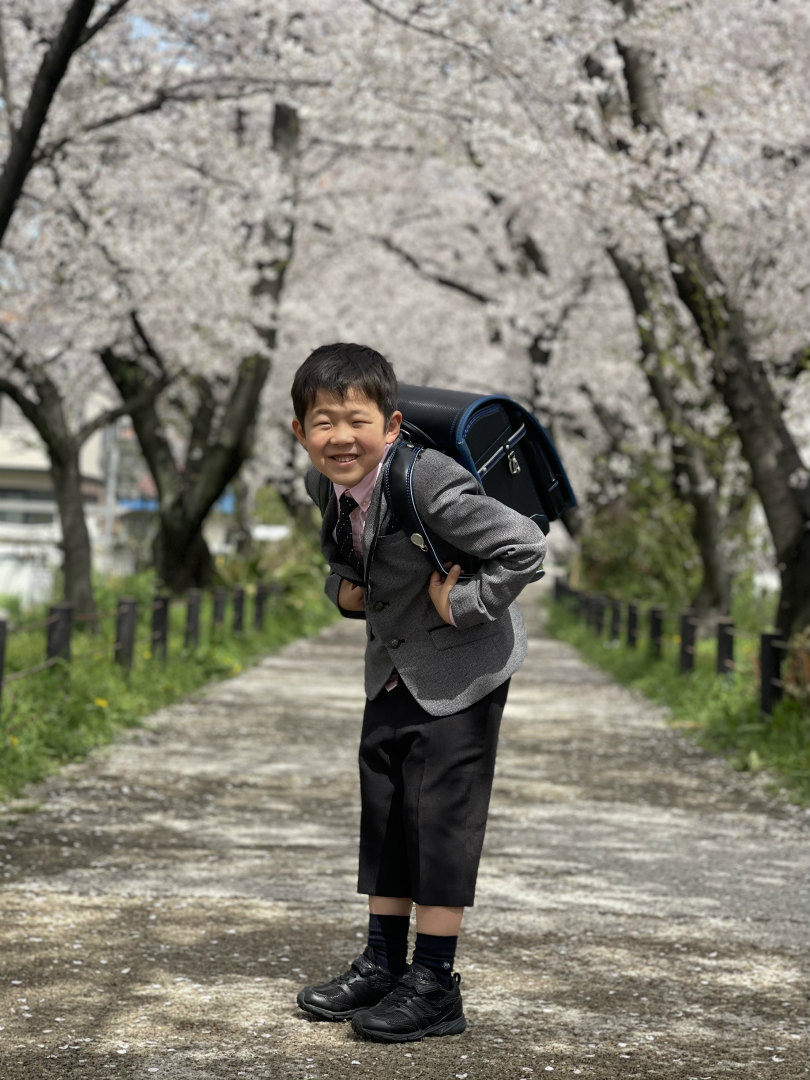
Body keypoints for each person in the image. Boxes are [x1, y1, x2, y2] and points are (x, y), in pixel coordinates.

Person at [290, 342, 546, 1043]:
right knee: (388, 807)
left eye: (355, 419)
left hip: (462, 671)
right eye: (322, 421)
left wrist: (464, 605)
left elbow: (524, 545)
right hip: (392, 667)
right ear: (299, 432)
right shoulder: (328, 485)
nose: (339, 436)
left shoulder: (426, 481)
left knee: (439, 821)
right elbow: (345, 562)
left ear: (392, 424)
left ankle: (434, 984)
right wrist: (341, 592)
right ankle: (382, 962)